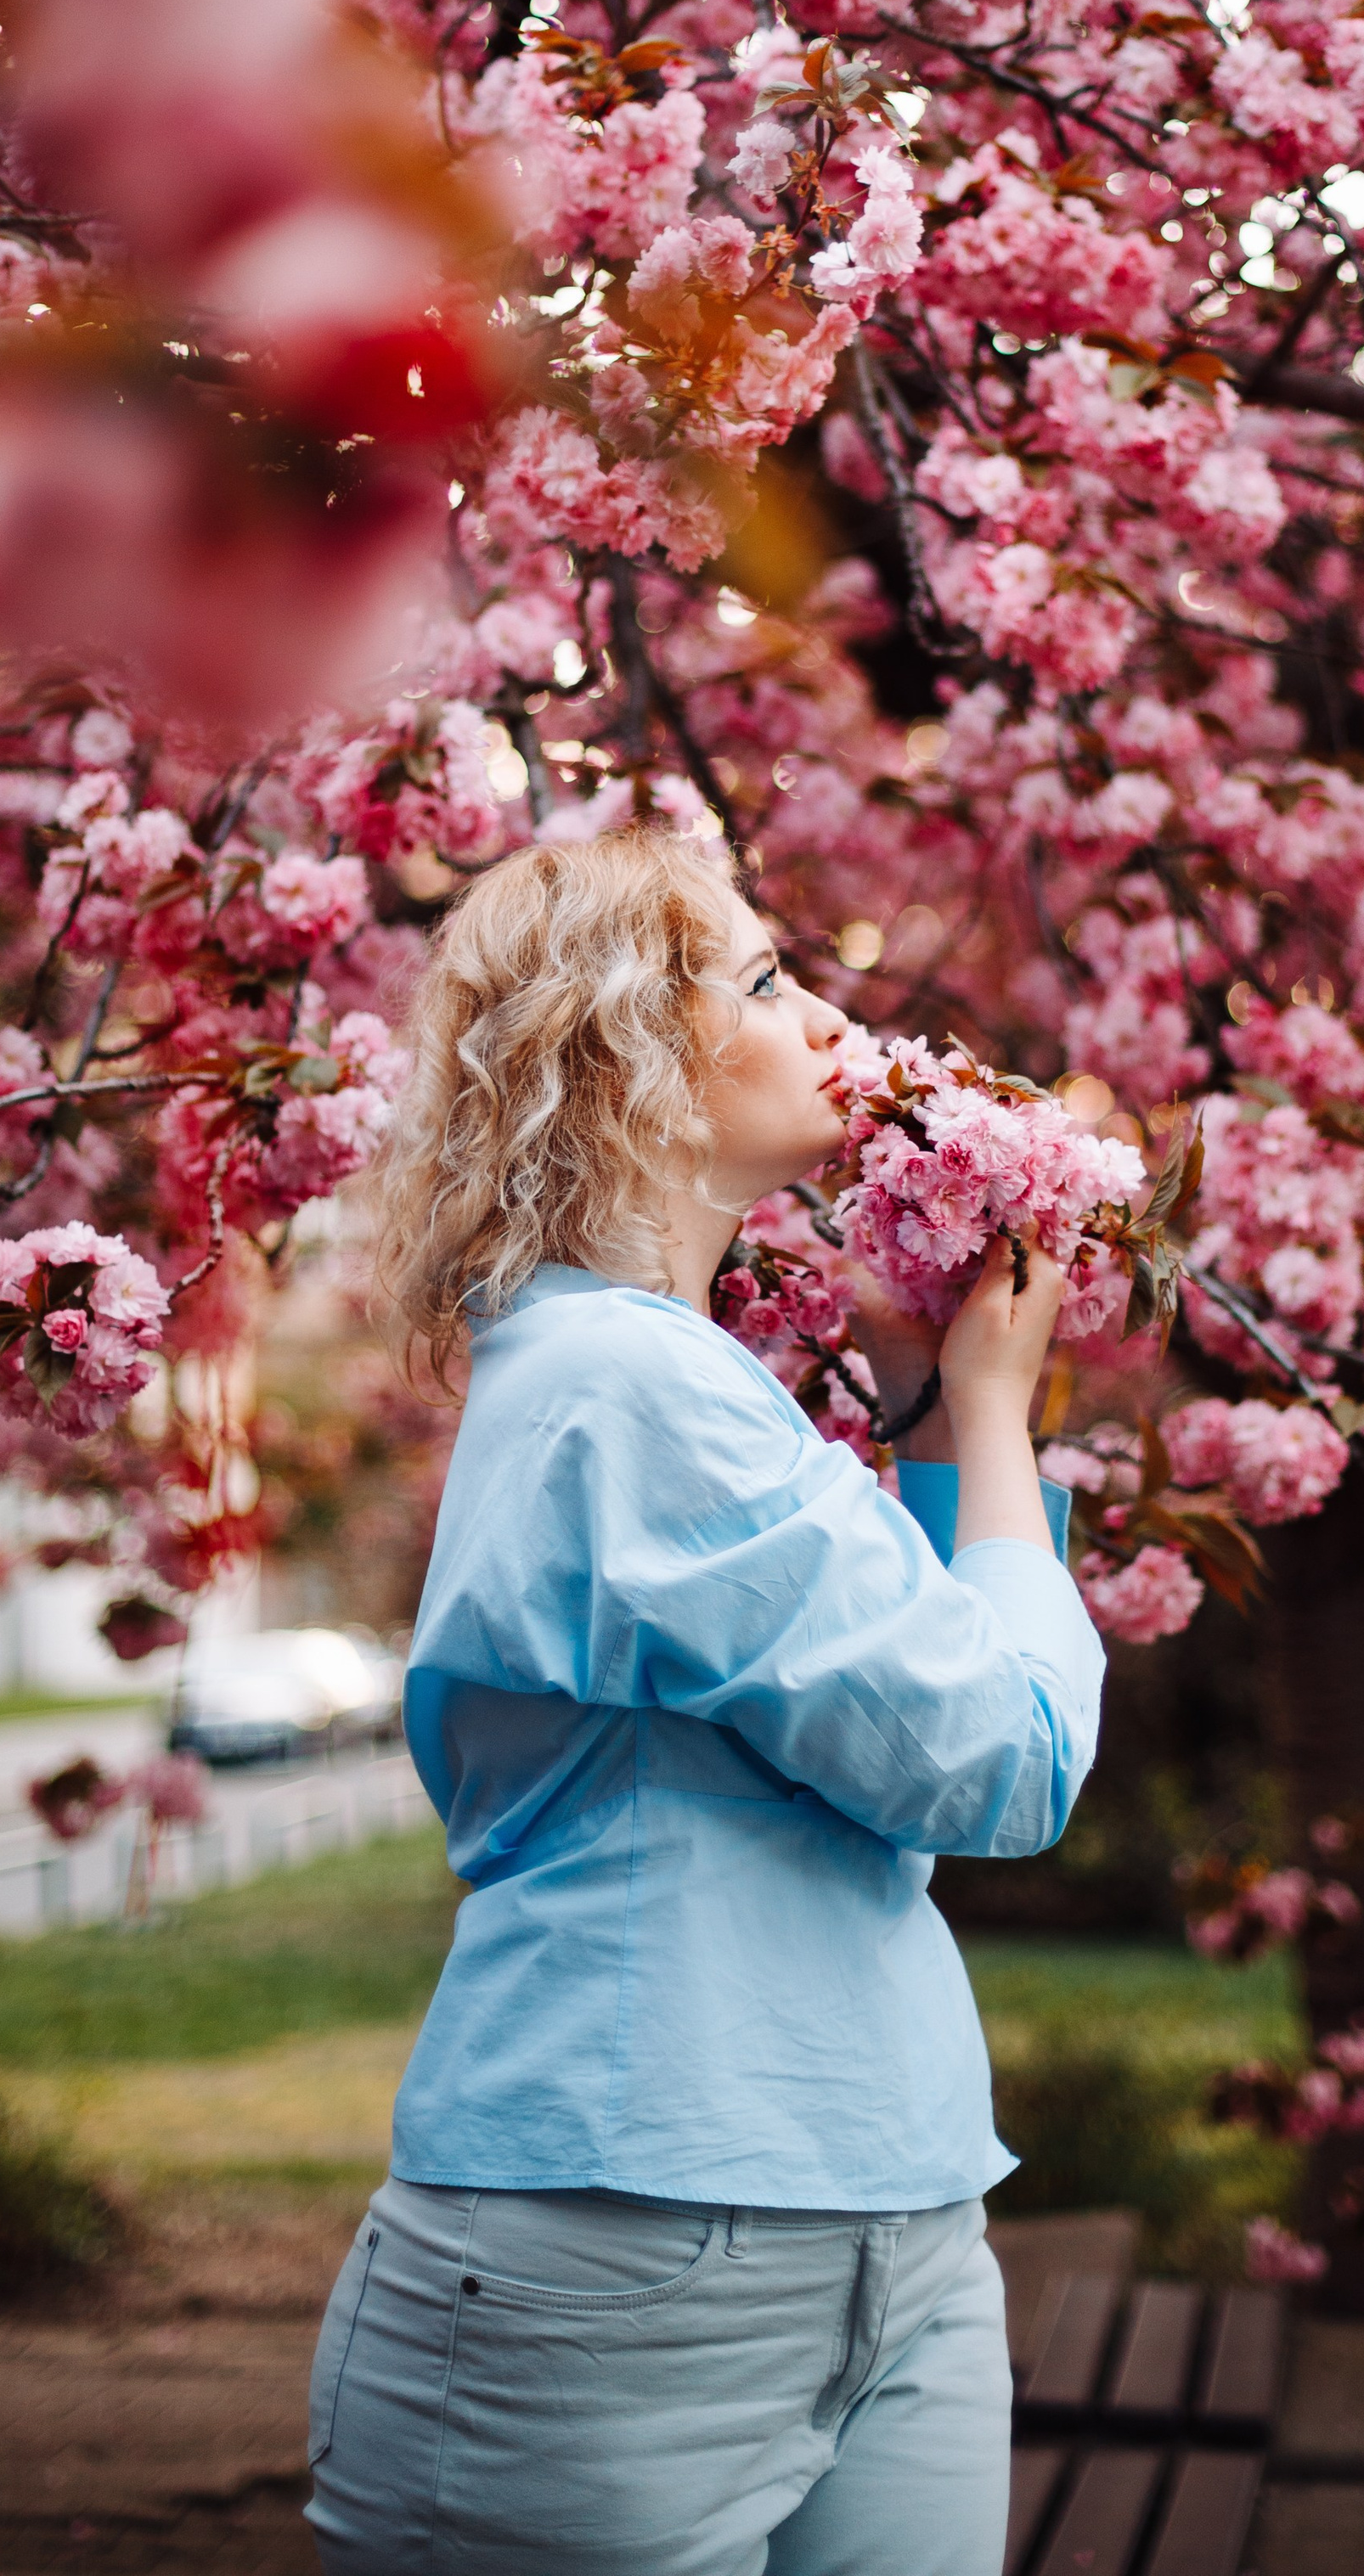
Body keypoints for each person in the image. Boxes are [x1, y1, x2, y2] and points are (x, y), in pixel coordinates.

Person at [303, 830, 1104, 2576]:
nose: (826, 1017)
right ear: (626, 1068)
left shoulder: (661, 1382)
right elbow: (1007, 1759)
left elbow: (908, 1729)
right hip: (624, 2255)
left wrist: (920, 1405)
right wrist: (992, 1420)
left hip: (885, 2217)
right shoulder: (626, 1386)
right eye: (759, 980)